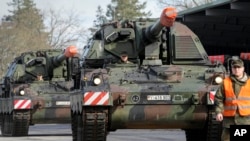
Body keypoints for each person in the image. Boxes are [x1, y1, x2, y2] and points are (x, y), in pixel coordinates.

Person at [215, 58, 250, 141]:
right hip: (229, 119)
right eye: (234, 68)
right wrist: (219, 112)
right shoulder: (226, 82)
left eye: (239, 67)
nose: (236, 70)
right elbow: (219, 98)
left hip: (244, 119)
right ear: (232, 69)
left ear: (243, 68)